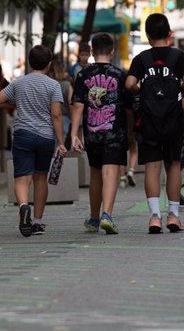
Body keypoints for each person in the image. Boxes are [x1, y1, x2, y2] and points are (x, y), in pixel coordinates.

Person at [126, 13, 184, 234]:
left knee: (152, 167)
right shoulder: (179, 56)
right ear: (169, 34)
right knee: (173, 165)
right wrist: (180, 92)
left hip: (149, 119)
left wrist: (141, 91)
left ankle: (154, 217)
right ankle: (173, 215)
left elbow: (129, 83)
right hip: (173, 119)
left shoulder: (142, 59)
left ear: (147, 35)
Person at [0, 45, 67, 237]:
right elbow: (56, 115)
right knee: (40, 177)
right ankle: (38, 222)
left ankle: (24, 206)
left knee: (22, 178)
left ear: (30, 61)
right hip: (45, 137)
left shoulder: (19, 83)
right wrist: (61, 141)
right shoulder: (53, 85)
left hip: (23, 134)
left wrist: (16, 101)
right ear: (49, 64)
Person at [70, 33, 132, 235]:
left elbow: (78, 106)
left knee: (96, 172)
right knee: (110, 171)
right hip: (115, 132)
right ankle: (107, 215)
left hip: (92, 132)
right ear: (112, 52)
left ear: (92, 51)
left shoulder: (83, 75)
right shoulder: (120, 74)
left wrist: (73, 134)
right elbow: (130, 107)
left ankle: (94, 217)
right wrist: (130, 132)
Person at [50, 58, 73, 142]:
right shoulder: (67, 85)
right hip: (64, 118)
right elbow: (71, 102)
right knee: (60, 144)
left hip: (48, 117)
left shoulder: (48, 84)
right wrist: (72, 118)